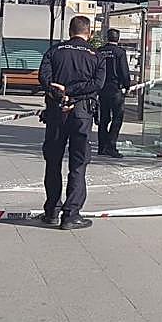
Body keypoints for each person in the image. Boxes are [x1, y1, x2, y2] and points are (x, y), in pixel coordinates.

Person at [39, 16, 106, 229]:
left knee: (53, 161)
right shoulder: (96, 55)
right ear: (90, 32)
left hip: (56, 113)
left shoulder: (54, 51)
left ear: (69, 31)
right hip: (81, 113)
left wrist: (60, 94)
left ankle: (51, 210)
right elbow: (98, 84)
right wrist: (73, 92)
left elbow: (44, 77)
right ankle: (71, 214)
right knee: (78, 163)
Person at [96, 28, 132, 158]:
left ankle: (101, 146)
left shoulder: (99, 51)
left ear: (107, 37)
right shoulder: (120, 52)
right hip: (115, 89)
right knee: (117, 118)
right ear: (118, 38)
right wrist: (127, 85)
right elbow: (124, 71)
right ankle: (111, 146)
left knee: (104, 119)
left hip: (102, 89)